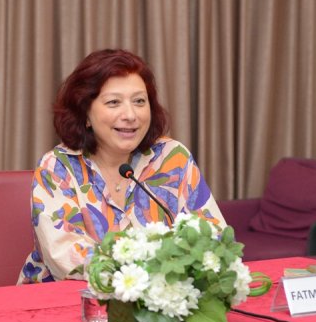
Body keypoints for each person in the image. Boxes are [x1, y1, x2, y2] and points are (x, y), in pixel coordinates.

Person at [19, 48, 226, 284]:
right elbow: (66, 258)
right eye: (113, 102)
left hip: (161, 296)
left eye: (139, 101)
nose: (130, 115)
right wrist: (156, 268)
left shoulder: (172, 158)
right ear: (85, 113)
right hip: (62, 298)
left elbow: (213, 235)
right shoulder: (58, 167)